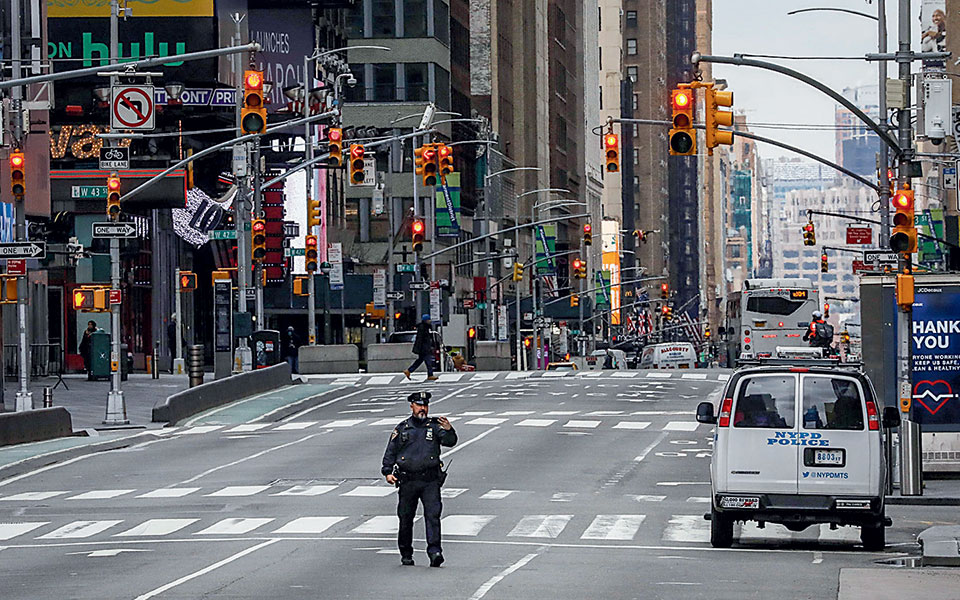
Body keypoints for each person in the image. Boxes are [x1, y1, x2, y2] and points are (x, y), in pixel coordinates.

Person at [381, 391, 457, 567]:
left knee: (433, 516)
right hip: (408, 480)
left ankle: (435, 552)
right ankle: (406, 552)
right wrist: (387, 472)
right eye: (419, 405)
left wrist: (449, 429)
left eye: (425, 405)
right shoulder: (402, 428)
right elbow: (391, 451)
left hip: (429, 480)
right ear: (412, 406)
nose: (422, 409)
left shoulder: (434, 426)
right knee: (406, 517)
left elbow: (450, 441)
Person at [404, 314, 438, 381]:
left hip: (423, 348)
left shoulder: (424, 327)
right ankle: (430, 375)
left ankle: (409, 371)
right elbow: (421, 339)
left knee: (419, 361)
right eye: (429, 319)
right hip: (424, 348)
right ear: (426, 320)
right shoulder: (423, 328)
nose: (430, 321)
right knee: (428, 362)